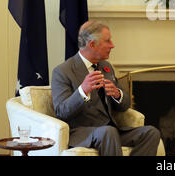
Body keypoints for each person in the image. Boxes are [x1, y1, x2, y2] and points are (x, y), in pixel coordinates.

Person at [51, 20, 161, 156]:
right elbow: (61, 112)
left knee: (151, 132)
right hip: (83, 132)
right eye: (107, 41)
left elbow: (125, 105)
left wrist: (117, 94)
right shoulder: (63, 71)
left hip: (111, 130)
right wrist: (83, 91)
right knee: (108, 132)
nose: (112, 45)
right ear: (92, 44)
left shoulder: (105, 67)